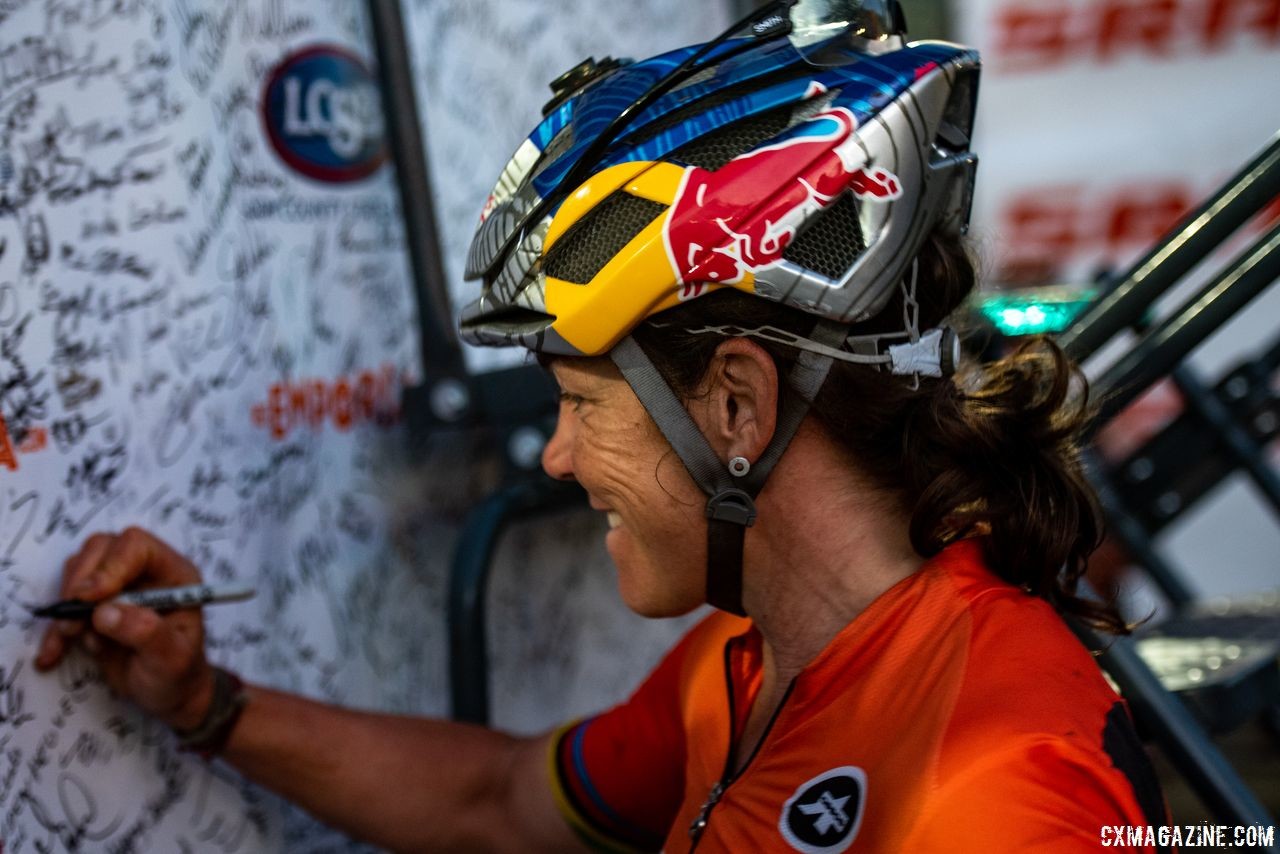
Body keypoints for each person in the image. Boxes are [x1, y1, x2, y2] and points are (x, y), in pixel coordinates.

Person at [36, 2, 1171, 851]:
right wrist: (204, 701)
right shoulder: (745, 664)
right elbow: (499, 802)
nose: (556, 453)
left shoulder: (997, 778)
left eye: (578, 402)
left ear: (737, 401)